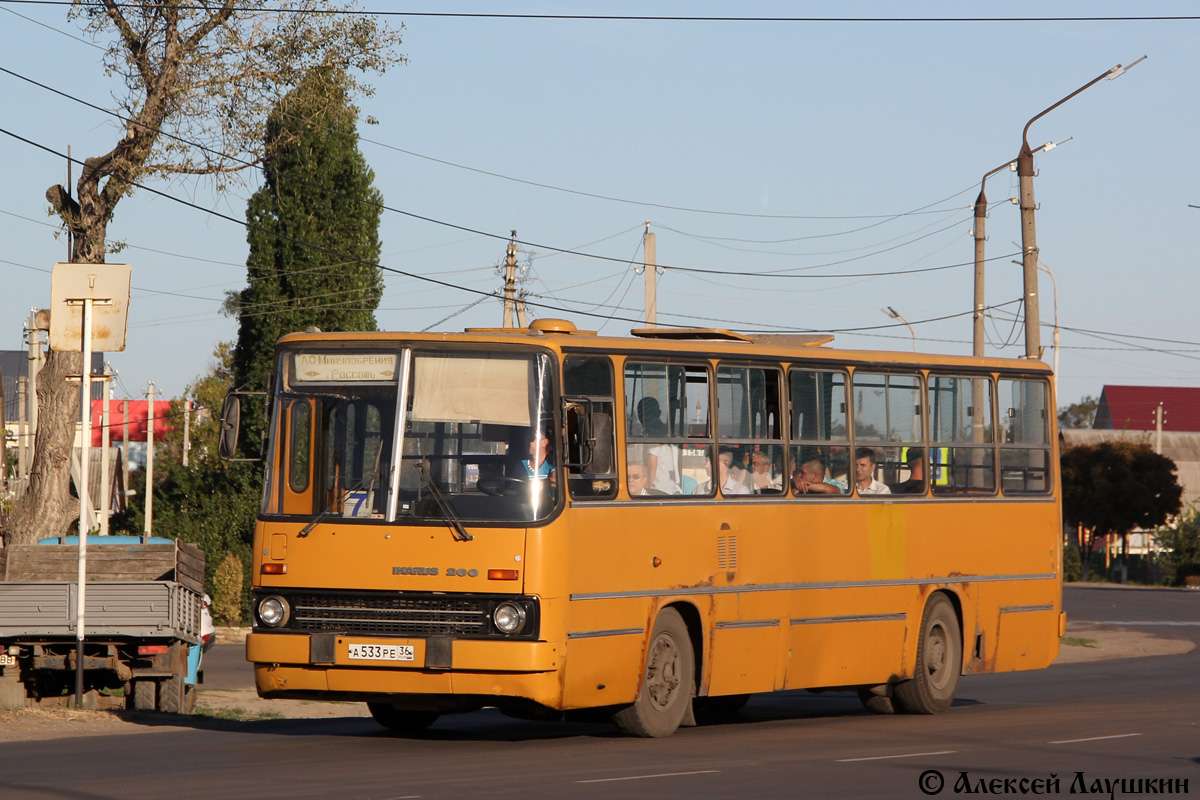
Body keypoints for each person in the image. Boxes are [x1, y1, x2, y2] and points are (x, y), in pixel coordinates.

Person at [636, 396, 682, 495]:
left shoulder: (654, 434)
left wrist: (645, 490)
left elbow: (652, 465)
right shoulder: (667, 431)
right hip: (672, 489)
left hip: (657, 491)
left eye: (645, 414)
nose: (642, 418)